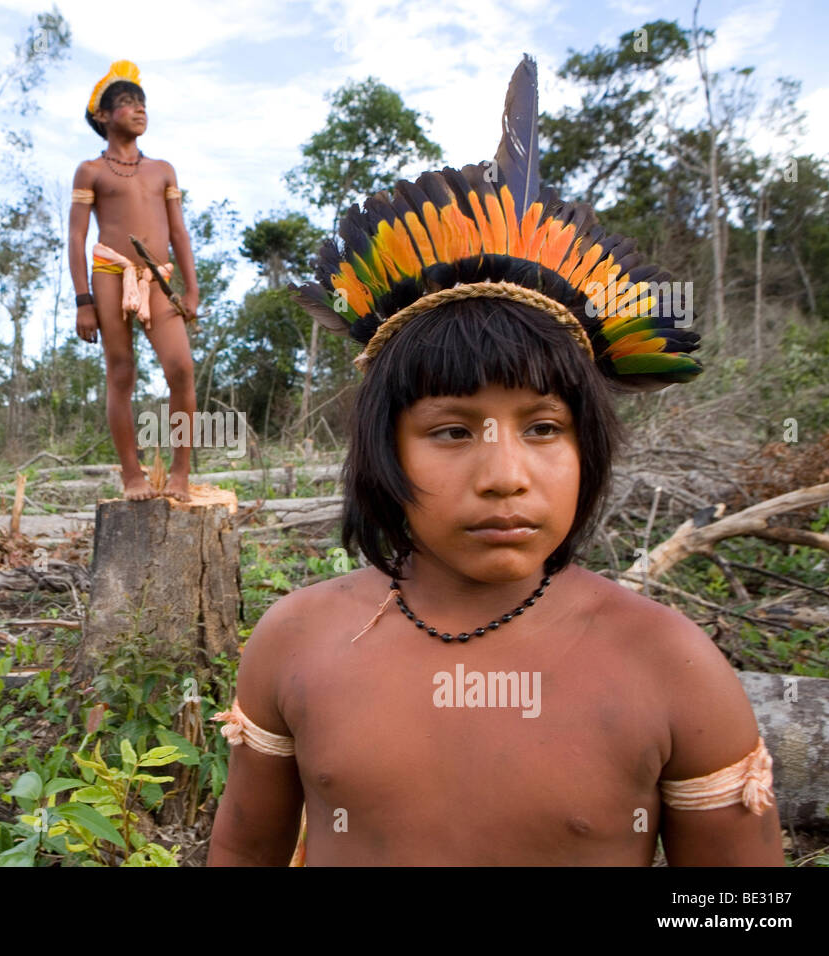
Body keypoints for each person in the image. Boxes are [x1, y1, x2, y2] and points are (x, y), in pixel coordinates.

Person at [207, 57, 781, 866]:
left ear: (589, 447)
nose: (505, 473)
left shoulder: (675, 670)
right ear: (382, 450)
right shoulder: (296, 641)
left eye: (543, 429)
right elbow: (242, 851)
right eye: (450, 431)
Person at [69, 60, 199, 502]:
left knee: (181, 368)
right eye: (127, 104)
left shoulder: (162, 169)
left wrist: (192, 288)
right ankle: (132, 476)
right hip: (109, 272)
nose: (139, 110)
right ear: (102, 117)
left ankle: (180, 473)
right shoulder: (91, 171)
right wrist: (83, 300)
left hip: (158, 279)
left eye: (142, 103)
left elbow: (179, 232)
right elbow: (76, 236)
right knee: (121, 372)